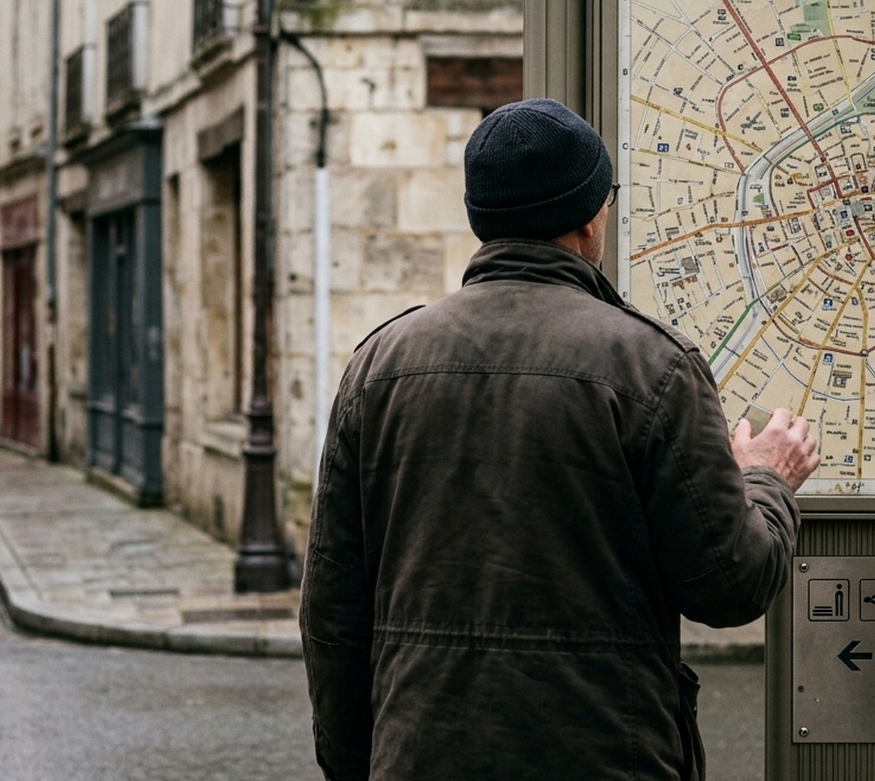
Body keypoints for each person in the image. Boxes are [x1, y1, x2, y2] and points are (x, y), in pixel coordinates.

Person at [299, 99, 820, 781]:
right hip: (607, 755)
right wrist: (769, 480)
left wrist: (358, 764)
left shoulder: (379, 365)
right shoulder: (653, 366)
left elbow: (332, 611)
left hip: (420, 755)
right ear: (587, 215)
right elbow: (730, 585)